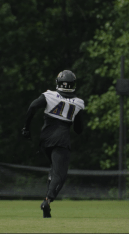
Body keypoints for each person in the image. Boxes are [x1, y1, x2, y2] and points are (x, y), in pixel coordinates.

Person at [21, 70, 84, 218]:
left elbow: (32, 106)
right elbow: (79, 130)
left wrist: (26, 128)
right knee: (60, 174)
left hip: (45, 139)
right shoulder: (79, 103)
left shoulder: (48, 95)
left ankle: (47, 196)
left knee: (53, 170)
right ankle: (47, 200)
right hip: (61, 140)